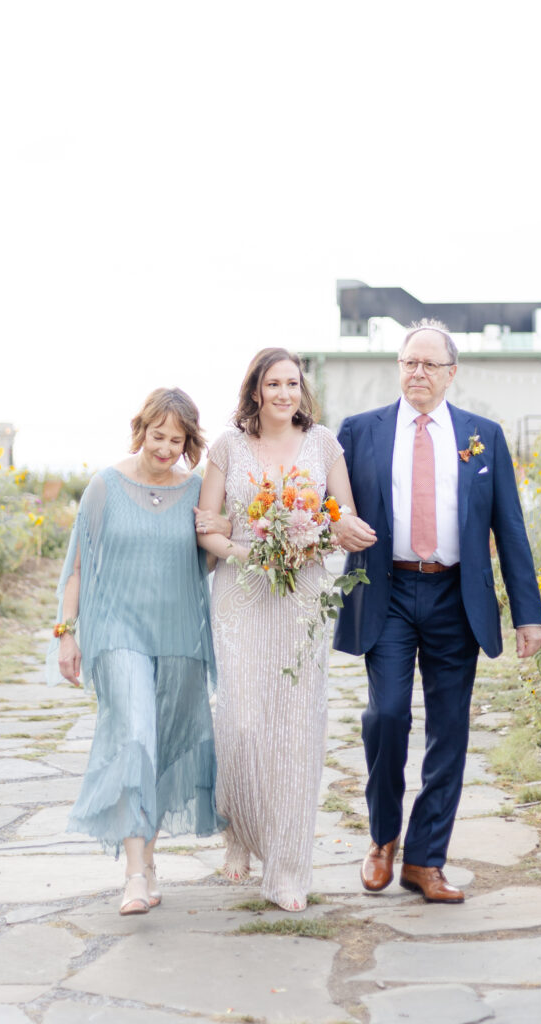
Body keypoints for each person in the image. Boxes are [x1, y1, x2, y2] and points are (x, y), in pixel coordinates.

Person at [333, 319, 541, 903]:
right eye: (408, 362)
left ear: (452, 373)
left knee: (449, 729)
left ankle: (425, 860)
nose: (417, 373)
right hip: (389, 591)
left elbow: (511, 528)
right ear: (398, 368)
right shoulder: (359, 431)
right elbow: (330, 502)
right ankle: (382, 838)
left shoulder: (483, 436)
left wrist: (528, 613)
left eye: (429, 364)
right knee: (387, 717)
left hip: (457, 595)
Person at [194, 347, 373, 912]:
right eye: (273, 383)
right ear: (255, 390)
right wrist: (254, 554)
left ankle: (289, 868)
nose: (284, 393)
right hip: (241, 594)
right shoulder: (227, 446)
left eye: (292, 383)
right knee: (242, 724)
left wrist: (314, 540)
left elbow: (341, 515)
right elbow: (207, 528)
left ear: (302, 390)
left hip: (303, 596)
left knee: (296, 728)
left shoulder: (322, 444)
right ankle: (241, 827)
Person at [48, 388, 227, 915]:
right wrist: (66, 632)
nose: (166, 448)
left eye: (177, 440)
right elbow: (77, 567)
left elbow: (209, 564)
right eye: (158, 436)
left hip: (178, 637)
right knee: (134, 738)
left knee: (166, 747)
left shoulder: (196, 492)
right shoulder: (104, 487)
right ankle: (132, 875)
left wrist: (226, 530)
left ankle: (147, 861)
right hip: (118, 634)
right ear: (141, 430)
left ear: (188, 441)